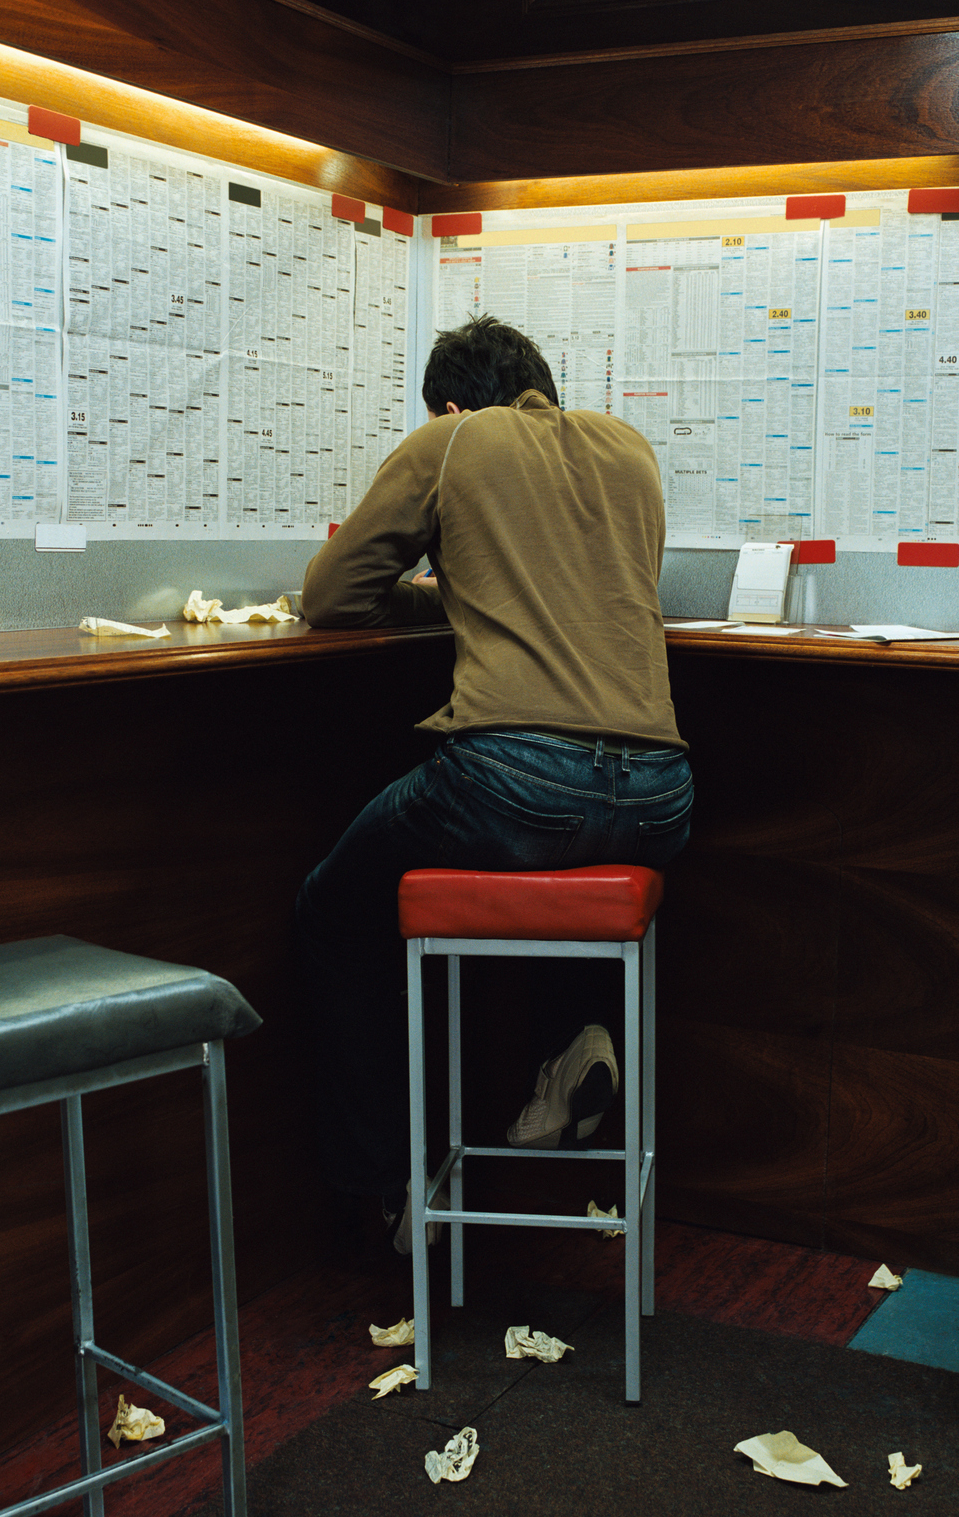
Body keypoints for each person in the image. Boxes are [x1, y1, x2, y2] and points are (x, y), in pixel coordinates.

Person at [295, 314, 692, 1252]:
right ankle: (573, 1045)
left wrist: (434, 584)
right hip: (661, 795)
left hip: (518, 779)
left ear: (447, 401)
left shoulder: (453, 438)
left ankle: (386, 1193)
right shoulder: (630, 452)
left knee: (333, 908)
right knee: (556, 869)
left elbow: (330, 598)